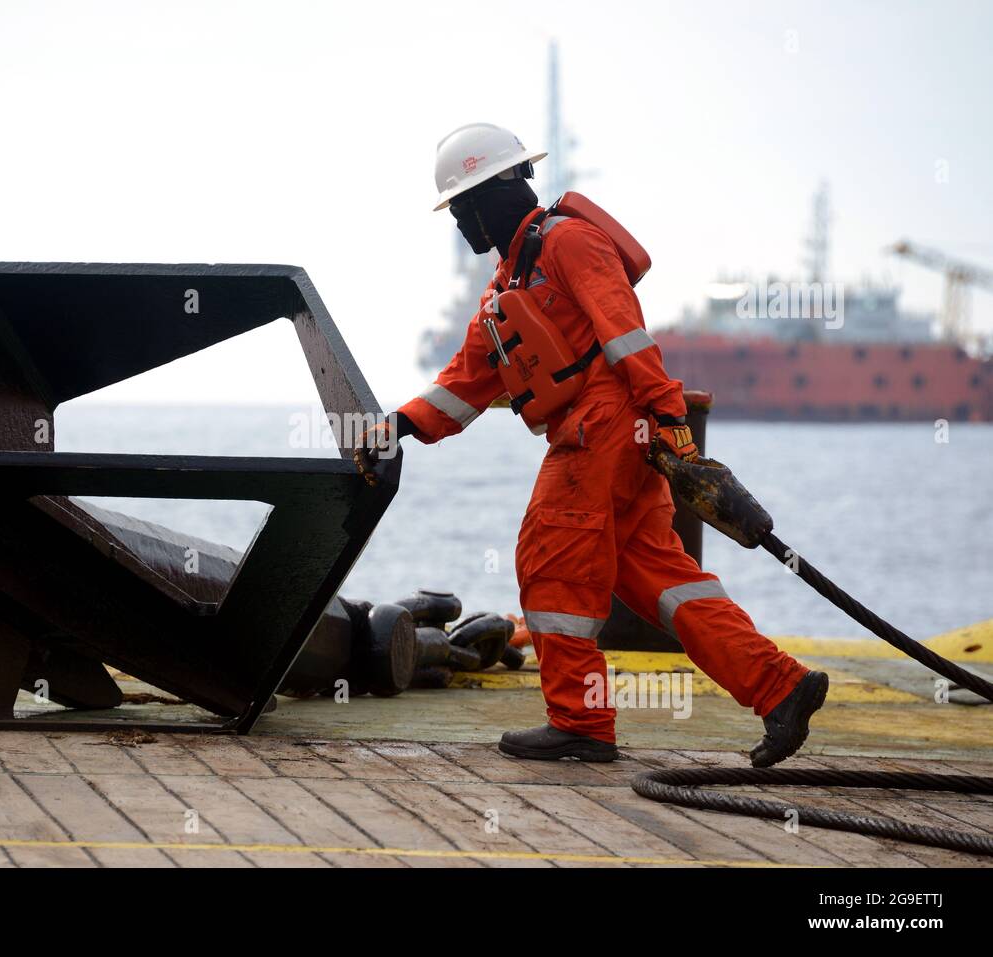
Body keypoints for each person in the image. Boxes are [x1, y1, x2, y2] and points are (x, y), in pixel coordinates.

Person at [354, 123, 827, 766]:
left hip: (603, 429)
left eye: (463, 205)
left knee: (550, 566)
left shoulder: (570, 243)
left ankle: (579, 721)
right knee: (660, 579)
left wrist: (666, 418)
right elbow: (465, 383)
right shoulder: (505, 290)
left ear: (500, 189)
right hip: (616, 438)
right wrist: (396, 425)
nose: (460, 221)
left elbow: (626, 335)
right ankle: (782, 686)